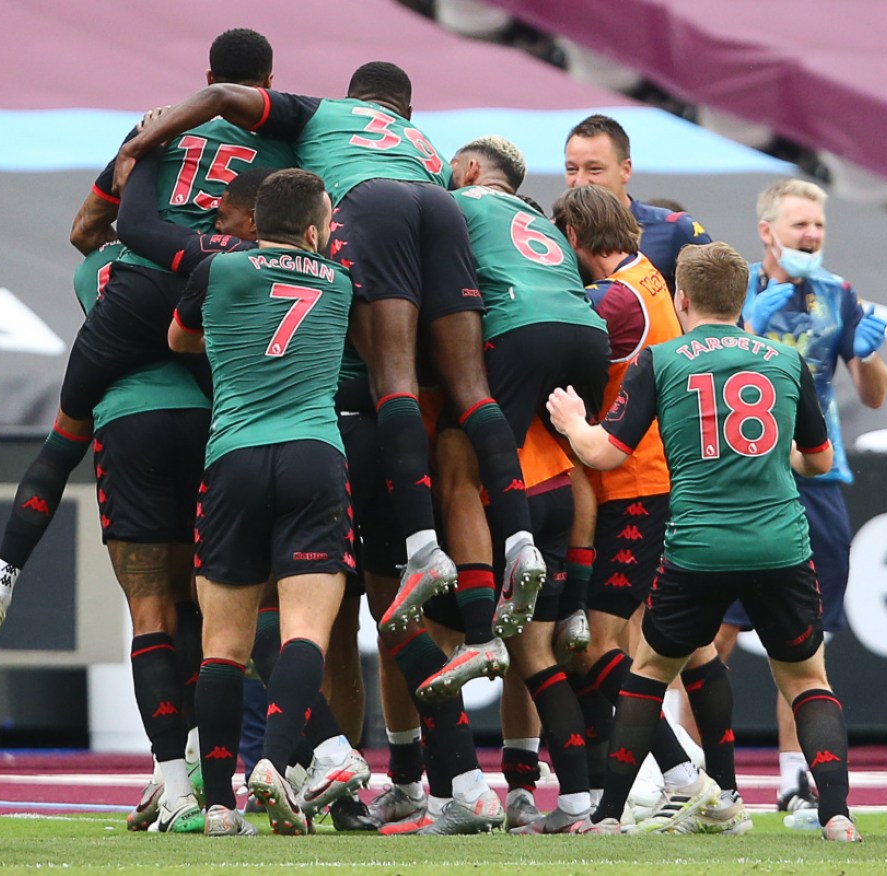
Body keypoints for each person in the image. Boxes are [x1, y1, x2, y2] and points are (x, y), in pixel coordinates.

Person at [112, 61, 546, 654]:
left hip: (370, 213)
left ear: (352, 97)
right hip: (437, 207)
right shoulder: (423, 144)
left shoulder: (322, 113)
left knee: (392, 379)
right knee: (472, 389)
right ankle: (522, 543)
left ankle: (425, 549)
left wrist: (143, 141)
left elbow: (217, 95)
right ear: (406, 113)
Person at [0, 28, 293, 650]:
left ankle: (1, 581)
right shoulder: (288, 142)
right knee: (249, 433)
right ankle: (268, 616)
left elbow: (86, 230)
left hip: (132, 299)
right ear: (268, 84)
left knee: (60, 444)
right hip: (216, 297)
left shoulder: (158, 131)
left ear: (208, 72)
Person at [548, 240, 862, 842]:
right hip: (780, 545)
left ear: (683, 299)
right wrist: (781, 455)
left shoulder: (662, 361)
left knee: (648, 672)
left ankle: (610, 816)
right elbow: (819, 461)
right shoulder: (783, 360)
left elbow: (603, 454)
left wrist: (571, 421)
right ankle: (837, 816)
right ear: (743, 298)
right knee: (805, 681)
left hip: (699, 547)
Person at [166, 168, 361, 838]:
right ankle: (275, 765)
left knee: (222, 644)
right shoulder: (338, 281)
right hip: (313, 455)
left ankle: (218, 806)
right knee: (305, 629)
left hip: (233, 459)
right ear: (313, 231)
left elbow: (178, 338)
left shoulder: (216, 270)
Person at [551, 186, 741, 831]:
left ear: (576, 236)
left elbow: (566, 353)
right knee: (687, 646)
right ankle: (724, 789)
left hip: (634, 485)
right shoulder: (649, 279)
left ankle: (684, 775)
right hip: (660, 482)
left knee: (596, 645)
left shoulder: (615, 298)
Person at [714, 178, 887, 816]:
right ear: (767, 232)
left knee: (804, 638)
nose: (812, 237)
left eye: (818, 226)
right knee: (716, 630)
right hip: (742, 477)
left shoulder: (840, 294)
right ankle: (708, 774)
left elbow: (873, 394)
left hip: (817, 479)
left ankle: (797, 776)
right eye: (800, 228)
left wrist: (868, 356)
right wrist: (752, 327)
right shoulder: (733, 291)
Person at [413, 136, 610, 697]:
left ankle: (479, 631)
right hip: (583, 331)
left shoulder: (455, 203)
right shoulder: (542, 219)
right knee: (569, 458)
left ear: (470, 170)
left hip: (520, 328)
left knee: (457, 458)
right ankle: (573, 607)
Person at [563, 114, 712, 293]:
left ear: (625, 170)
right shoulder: (552, 236)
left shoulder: (675, 229)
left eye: (594, 169)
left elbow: (721, 312)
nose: (580, 181)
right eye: (571, 169)